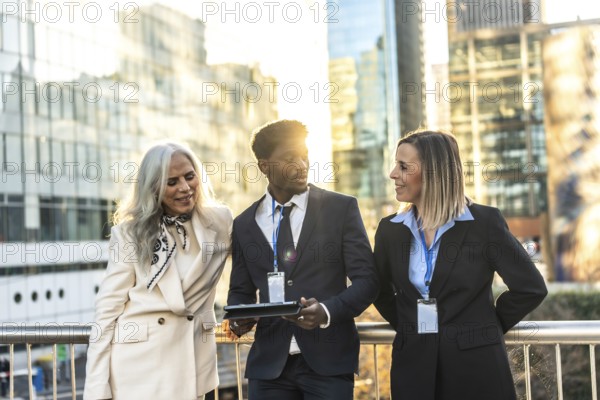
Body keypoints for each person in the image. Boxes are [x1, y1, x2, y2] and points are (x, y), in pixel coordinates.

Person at [373, 130, 548, 399]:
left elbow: (530, 287)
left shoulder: (484, 224)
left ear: (433, 173)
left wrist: (485, 326)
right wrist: (412, 327)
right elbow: (380, 291)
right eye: (396, 164)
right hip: (414, 372)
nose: (393, 174)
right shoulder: (390, 230)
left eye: (404, 166)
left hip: (477, 369)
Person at [226, 119, 379, 399]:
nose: (301, 164)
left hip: (328, 364)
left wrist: (326, 312)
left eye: (304, 156)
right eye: (289, 158)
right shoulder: (244, 224)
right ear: (264, 166)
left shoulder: (340, 208)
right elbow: (240, 291)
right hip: (268, 369)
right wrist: (238, 319)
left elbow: (367, 281)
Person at [83, 142, 232, 400]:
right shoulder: (130, 234)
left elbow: (254, 266)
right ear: (153, 188)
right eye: (171, 182)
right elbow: (107, 311)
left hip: (194, 363)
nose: (185, 188)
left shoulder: (220, 221)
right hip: (139, 367)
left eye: (189, 176)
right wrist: (97, 389)